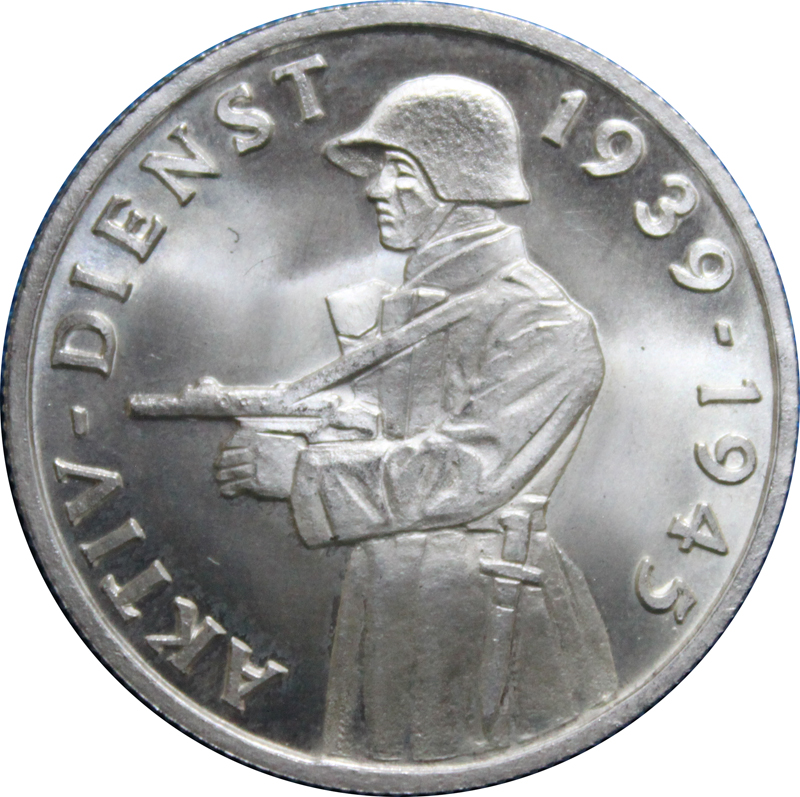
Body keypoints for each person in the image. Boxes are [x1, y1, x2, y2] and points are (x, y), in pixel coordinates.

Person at [214, 75, 617, 762]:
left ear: (454, 179)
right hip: (387, 597)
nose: (374, 189)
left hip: (489, 615)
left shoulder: (545, 321)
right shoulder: (418, 308)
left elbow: (465, 472)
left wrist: (301, 475)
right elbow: (398, 432)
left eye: (397, 169)